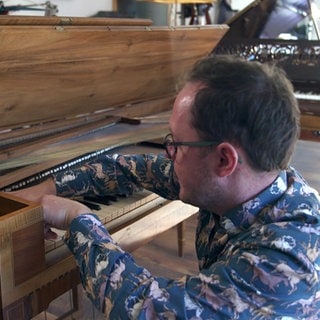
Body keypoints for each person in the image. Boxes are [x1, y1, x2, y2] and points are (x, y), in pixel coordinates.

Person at [15, 55, 320, 319]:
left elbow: (146, 309)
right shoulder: (254, 180)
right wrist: (51, 186)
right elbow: (130, 168)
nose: (167, 154)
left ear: (224, 160)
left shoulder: (281, 263)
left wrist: (77, 219)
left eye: (176, 144)